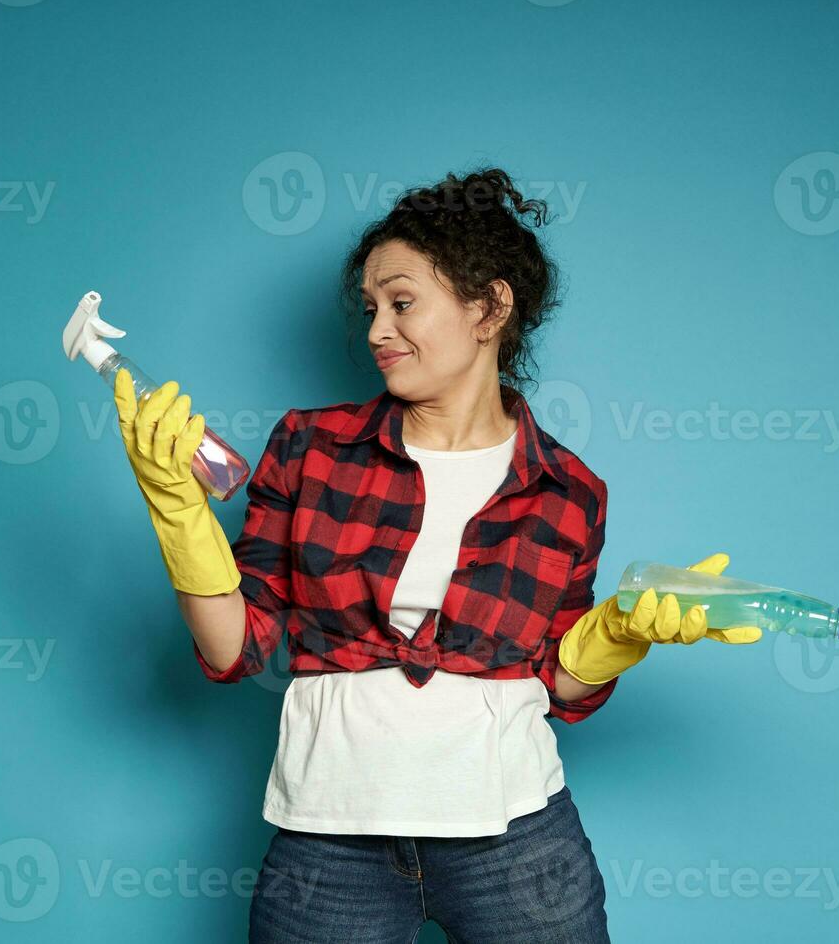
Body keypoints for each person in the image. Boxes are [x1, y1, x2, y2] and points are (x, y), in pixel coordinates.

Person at [112, 167, 760, 943]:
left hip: (517, 846)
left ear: (487, 307)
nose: (378, 329)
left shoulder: (568, 490)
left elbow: (560, 686)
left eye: (402, 302)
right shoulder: (308, 449)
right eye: (370, 309)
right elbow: (233, 648)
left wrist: (617, 637)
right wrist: (178, 514)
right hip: (328, 843)